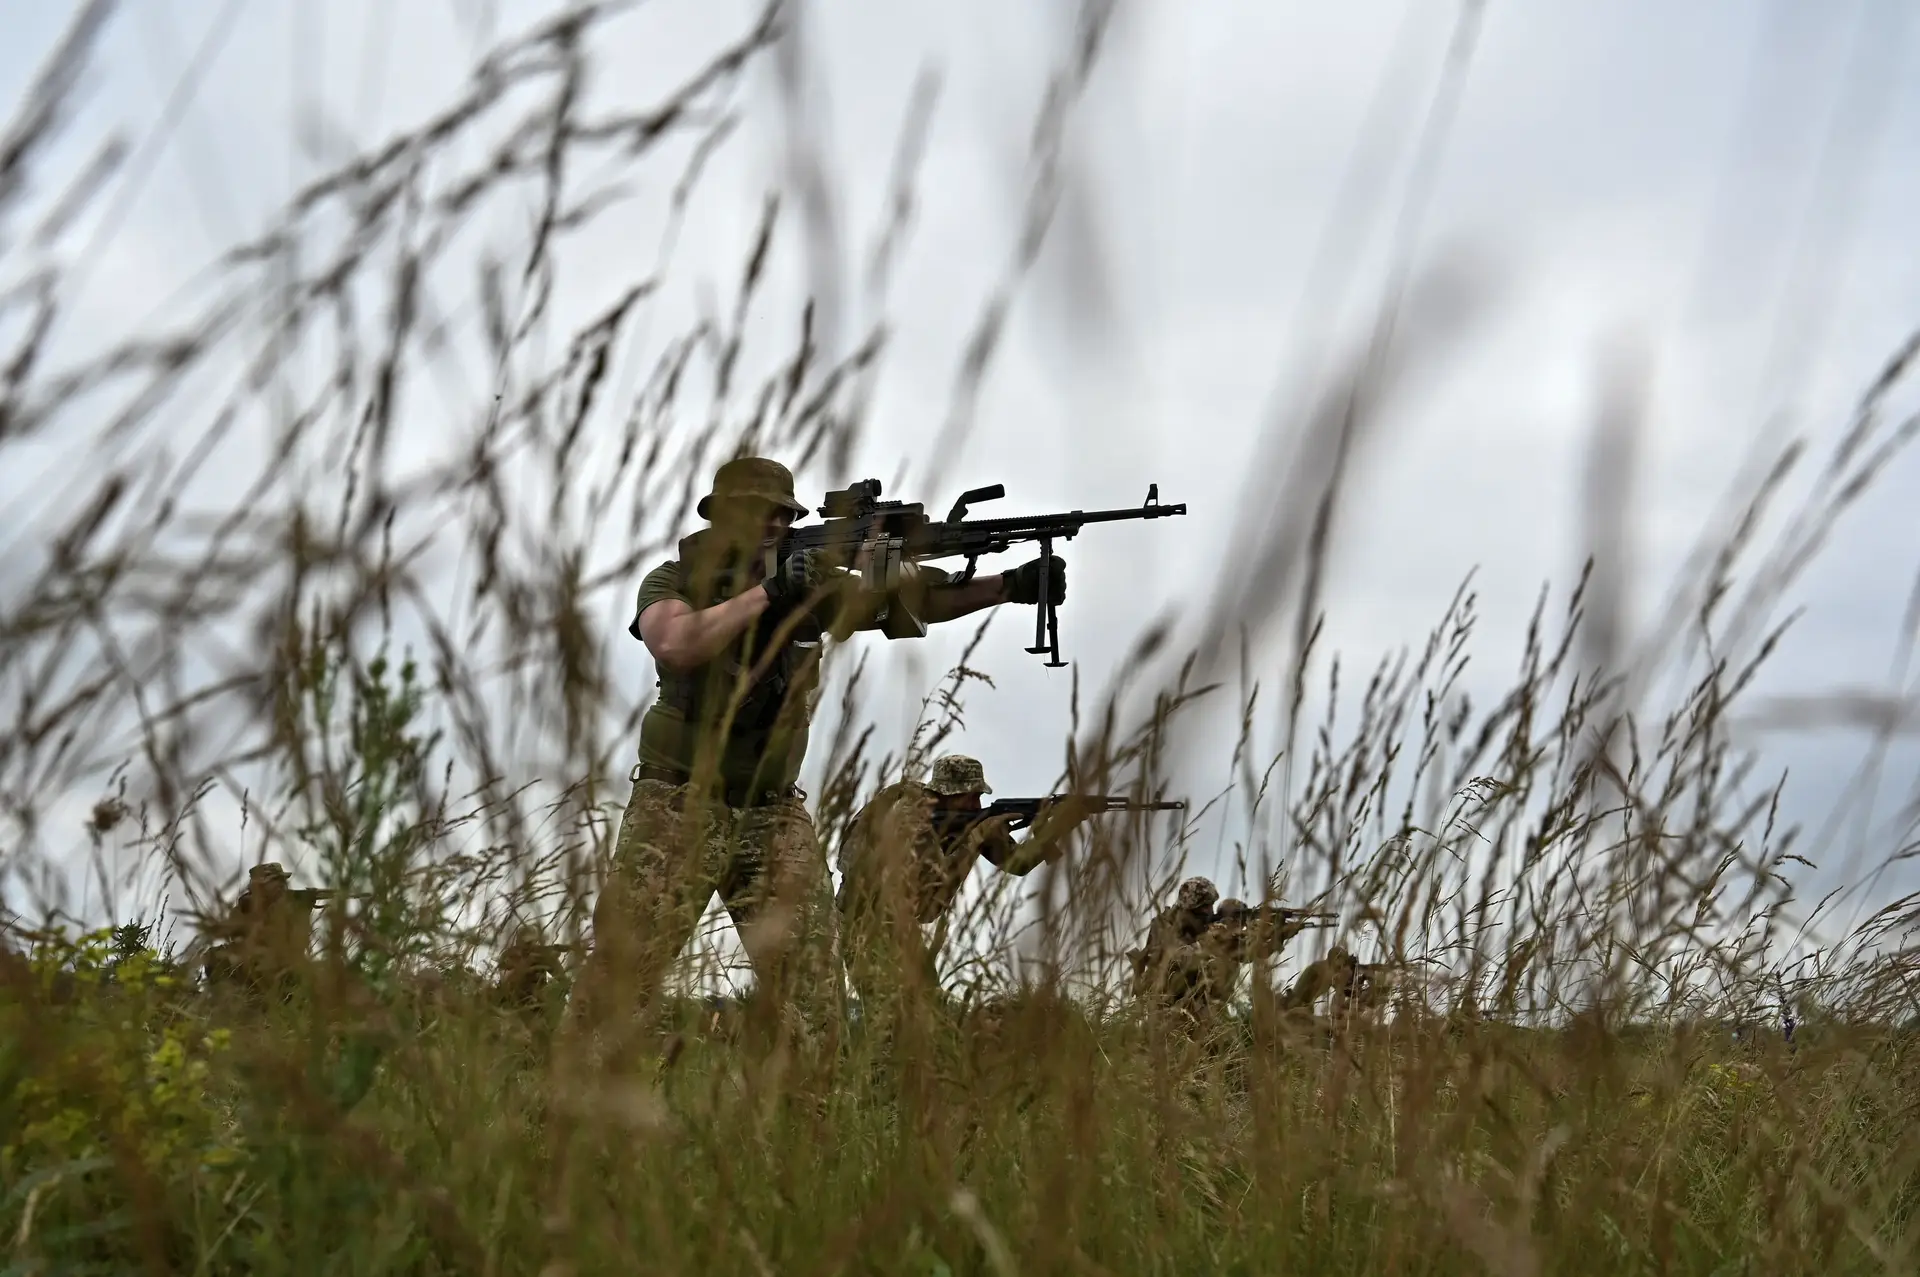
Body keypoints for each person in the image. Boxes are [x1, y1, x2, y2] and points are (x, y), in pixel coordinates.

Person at [568, 456, 1066, 1061]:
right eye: (759, 514)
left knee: (815, 1005)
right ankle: (561, 1122)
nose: (774, 525)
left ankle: (799, 1133)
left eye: (784, 515)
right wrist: (772, 592)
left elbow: (914, 598)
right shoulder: (675, 581)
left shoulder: (814, 589)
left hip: (775, 816)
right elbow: (677, 643)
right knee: (621, 985)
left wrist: (1006, 587)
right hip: (679, 804)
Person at [835, 754, 1101, 1023]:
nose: (977, 804)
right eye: (971, 796)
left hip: (902, 929)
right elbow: (927, 907)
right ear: (948, 794)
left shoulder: (968, 818)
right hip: (864, 927)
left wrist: (1050, 832)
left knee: (929, 1013)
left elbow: (1017, 863)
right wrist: (973, 841)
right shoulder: (910, 817)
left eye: (979, 796)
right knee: (896, 1020)